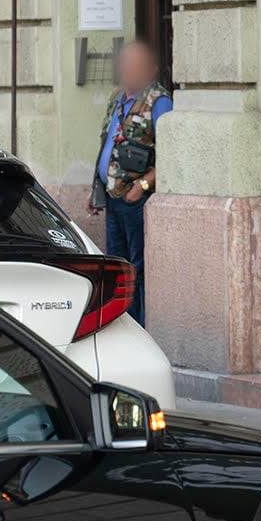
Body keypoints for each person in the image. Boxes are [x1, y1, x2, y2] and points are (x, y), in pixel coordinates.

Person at [93, 42, 171, 326]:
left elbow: (171, 155)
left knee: (136, 270)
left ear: (150, 70)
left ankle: (138, 328)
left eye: (135, 65)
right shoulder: (117, 99)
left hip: (136, 201)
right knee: (118, 270)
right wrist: (97, 190)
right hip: (114, 199)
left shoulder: (159, 101)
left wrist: (145, 186)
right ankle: (121, 325)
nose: (127, 70)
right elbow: (107, 146)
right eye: (125, 64)